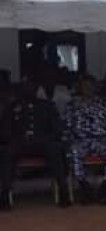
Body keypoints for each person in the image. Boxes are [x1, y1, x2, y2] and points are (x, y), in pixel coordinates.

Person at [0, 75, 71, 210]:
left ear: (37, 89)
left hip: (42, 142)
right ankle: (5, 194)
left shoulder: (47, 106)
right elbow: (5, 129)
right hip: (20, 143)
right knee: (7, 152)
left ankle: (63, 190)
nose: (29, 89)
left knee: (55, 149)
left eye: (32, 86)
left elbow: (57, 128)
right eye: (25, 86)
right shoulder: (12, 106)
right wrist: (15, 138)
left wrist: (45, 138)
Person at [63, 74, 106, 205]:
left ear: (95, 87)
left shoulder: (103, 103)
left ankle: (104, 189)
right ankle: (85, 190)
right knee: (73, 153)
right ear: (79, 87)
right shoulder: (72, 105)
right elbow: (65, 125)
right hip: (80, 140)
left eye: (91, 85)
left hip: (101, 140)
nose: (88, 88)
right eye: (85, 86)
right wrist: (68, 140)